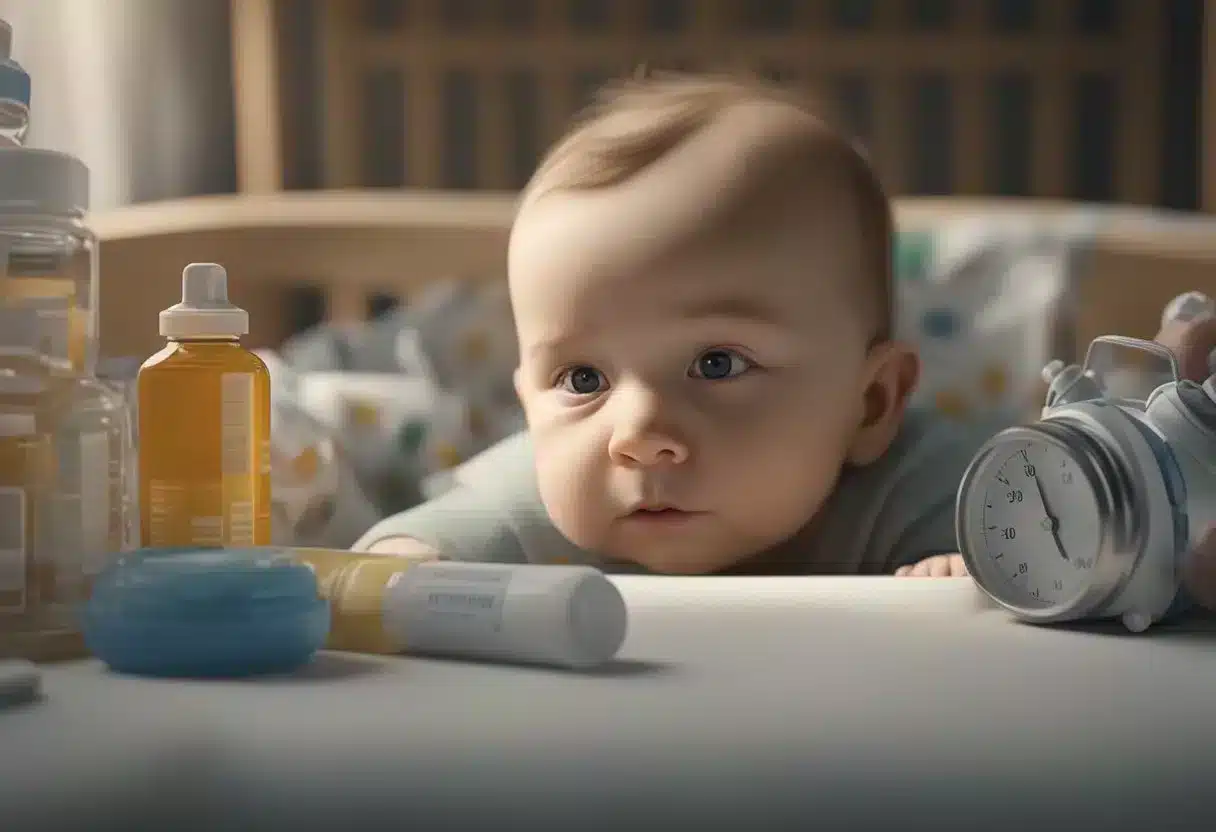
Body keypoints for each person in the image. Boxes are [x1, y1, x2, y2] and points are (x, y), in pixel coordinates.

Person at [350, 72, 1012, 576]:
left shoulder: (930, 489)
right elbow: (409, 554)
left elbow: (1063, 544)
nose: (638, 437)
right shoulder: (545, 502)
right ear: (528, 403)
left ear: (870, 404)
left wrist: (971, 572)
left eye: (716, 364)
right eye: (582, 378)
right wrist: (409, 564)